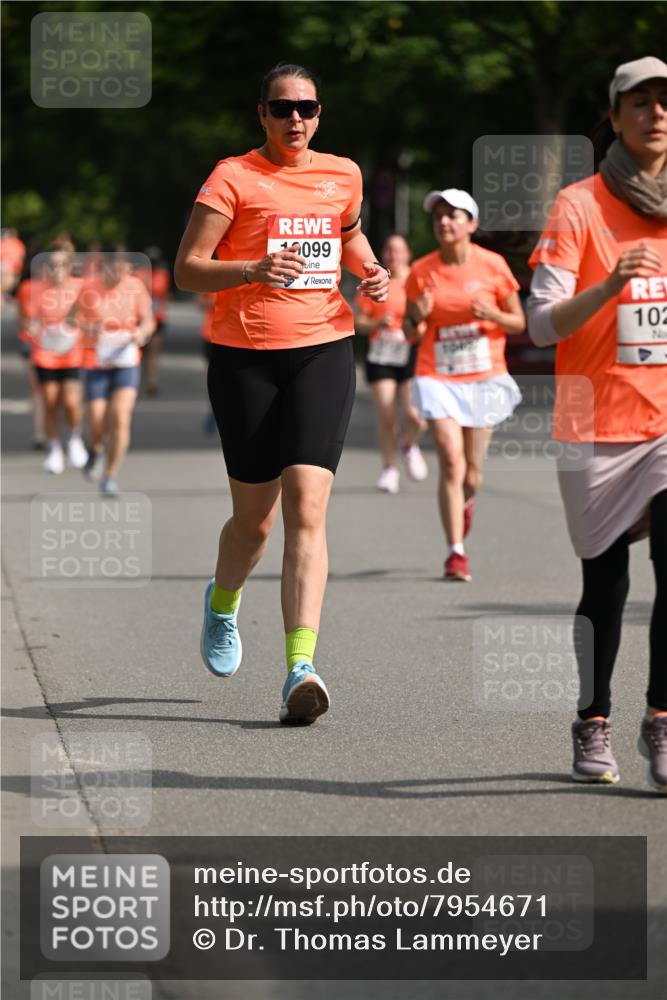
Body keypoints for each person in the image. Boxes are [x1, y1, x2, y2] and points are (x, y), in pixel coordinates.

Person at [174, 62, 388, 724]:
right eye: (281, 108)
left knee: (308, 502)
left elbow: (347, 235)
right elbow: (187, 270)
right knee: (253, 521)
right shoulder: (232, 177)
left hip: (323, 347)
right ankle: (222, 601)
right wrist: (251, 268)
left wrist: (371, 269)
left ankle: (301, 665)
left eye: (307, 108)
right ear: (261, 114)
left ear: (319, 114)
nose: (295, 119)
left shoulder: (342, 174)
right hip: (244, 359)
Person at [527, 56, 667, 791]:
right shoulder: (577, 206)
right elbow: (540, 325)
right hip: (592, 420)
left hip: (665, 420)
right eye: (639, 103)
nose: (656, 114)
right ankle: (592, 717)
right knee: (604, 587)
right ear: (613, 117)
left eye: (665, 102)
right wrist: (610, 285)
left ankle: (661, 717)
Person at [404, 189, 525, 581]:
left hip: (484, 375)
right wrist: (416, 317)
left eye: (454, 215)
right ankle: (456, 552)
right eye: (438, 216)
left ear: (471, 224)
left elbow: (518, 322)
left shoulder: (493, 267)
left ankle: (465, 503)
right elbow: (411, 334)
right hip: (437, 375)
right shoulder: (422, 271)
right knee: (450, 460)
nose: (444, 222)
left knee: (472, 473)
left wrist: (491, 313)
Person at [70, 251, 154, 495]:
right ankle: (95, 449)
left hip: (126, 359)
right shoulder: (89, 286)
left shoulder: (135, 286)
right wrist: (90, 327)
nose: (118, 275)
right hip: (95, 360)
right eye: (112, 270)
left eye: (122, 270)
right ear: (103, 268)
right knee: (97, 419)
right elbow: (70, 318)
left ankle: (110, 476)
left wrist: (142, 333)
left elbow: (148, 320)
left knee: (120, 417)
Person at [354, 233, 428, 493]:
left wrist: (419, 327)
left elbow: (430, 315)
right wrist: (376, 323)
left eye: (398, 250)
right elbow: (359, 323)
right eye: (389, 250)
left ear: (408, 254)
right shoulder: (375, 281)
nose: (393, 255)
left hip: (411, 352)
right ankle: (389, 468)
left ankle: (408, 443)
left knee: (416, 416)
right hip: (382, 354)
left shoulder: (419, 281)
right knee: (387, 415)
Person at [24, 247, 87, 473]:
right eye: (51, 265)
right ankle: (54, 449)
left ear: (69, 268)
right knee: (50, 401)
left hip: (73, 352)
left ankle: (74, 438)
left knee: (71, 401)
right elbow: (29, 320)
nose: (55, 270)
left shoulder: (80, 287)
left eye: (60, 265)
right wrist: (31, 327)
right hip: (45, 352)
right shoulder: (35, 289)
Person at [15, 254, 46, 449]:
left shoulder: (67, 290)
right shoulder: (26, 288)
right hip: (31, 343)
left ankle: (58, 429)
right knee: (37, 387)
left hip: (59, 346)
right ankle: (40, 432)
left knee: (56, 392)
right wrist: (28, 327)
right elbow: (21, 316)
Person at [138, 246, 171, 395]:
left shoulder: (161, 274)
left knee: (152, 351)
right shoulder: (140, 274)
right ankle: (140, 381)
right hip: (140, 317)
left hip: (157, 317)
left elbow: (160, 291)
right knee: (140, 352)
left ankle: (152, 381)